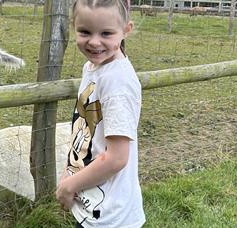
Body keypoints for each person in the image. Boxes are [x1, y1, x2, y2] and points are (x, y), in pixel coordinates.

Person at [55, 0, 145, 227]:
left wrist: (69, 186)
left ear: (126, 30)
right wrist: (70, 173)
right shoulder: (94, 67)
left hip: (110, 215)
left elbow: (116, 158)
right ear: (74, 26)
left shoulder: (117, 83)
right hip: (94, 204)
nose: (94, 42)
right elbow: (85, 128)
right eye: (85, 32)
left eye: (106, 33)